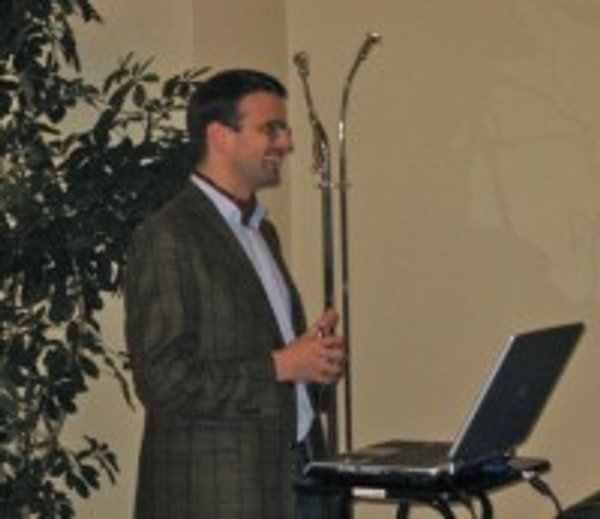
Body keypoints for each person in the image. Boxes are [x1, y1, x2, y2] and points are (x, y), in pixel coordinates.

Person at [124, 69, 346, 519]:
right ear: (220, 136)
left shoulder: (262, 231)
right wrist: (281, 366)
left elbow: (261, 355)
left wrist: (312, 361)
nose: (286, 143)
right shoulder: (168, 235)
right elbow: (163, 380)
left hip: (297, 476)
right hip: (219, 494)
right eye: (271, 129)